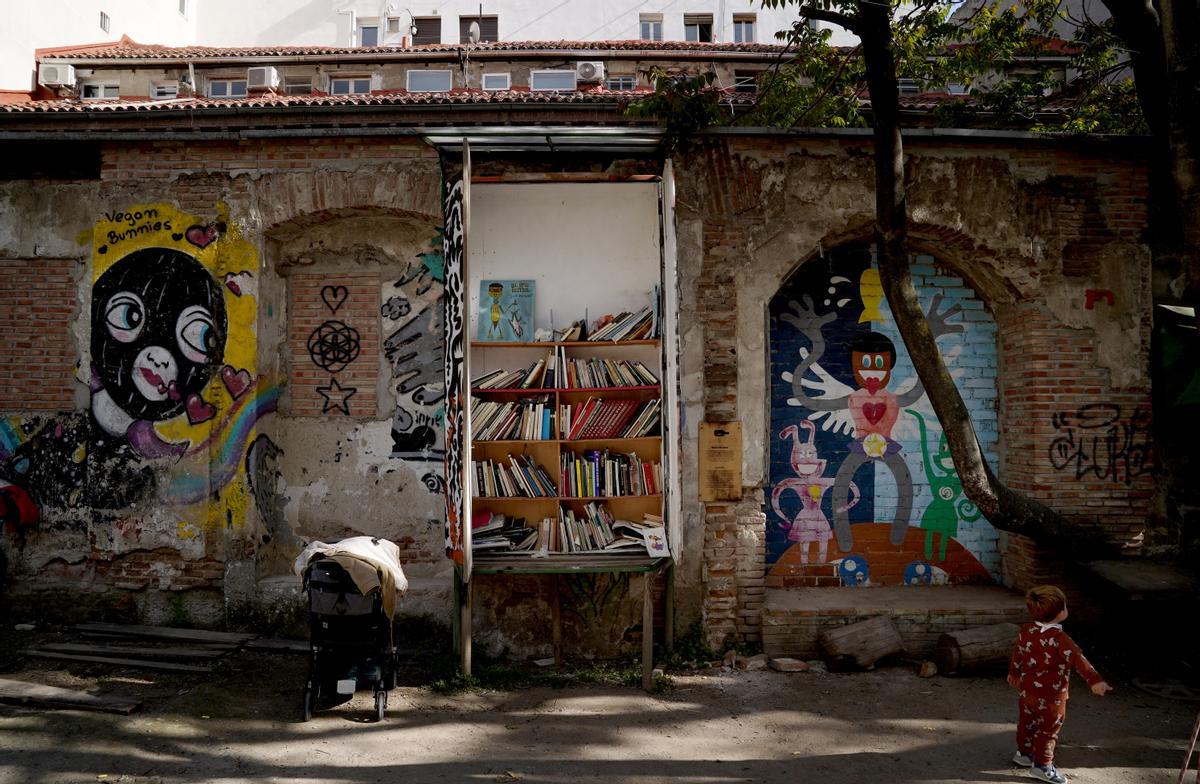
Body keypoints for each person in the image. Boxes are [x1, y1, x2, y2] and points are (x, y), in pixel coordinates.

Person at [1008, 585, 1113, 783]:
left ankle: (1023, 754)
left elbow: (1018, 653)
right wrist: (1095, 680)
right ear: (1060, 613)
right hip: (1052, 697)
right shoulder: (1061, 639)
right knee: (1048, 731)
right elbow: (1078, 659)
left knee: (1026, 724)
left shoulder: (1026, 630)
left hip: (1027, 692)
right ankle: (1042, 766)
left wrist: (1013, 672)